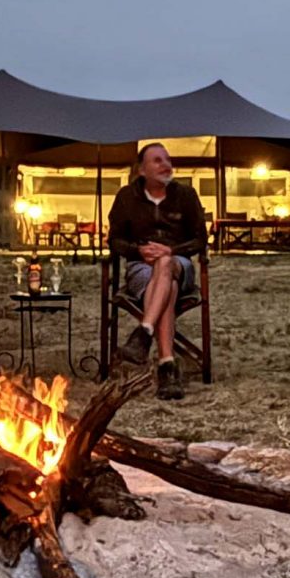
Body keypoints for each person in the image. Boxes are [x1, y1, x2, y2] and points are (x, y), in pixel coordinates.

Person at [108, 142, 209, 399]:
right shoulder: (126, 197)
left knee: (166, 266)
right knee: (169, 288)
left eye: (167, 159)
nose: (166, 165)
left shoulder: (185, 195)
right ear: (142, 170)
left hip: (180, 264)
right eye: (157, 161)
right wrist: (138, 251)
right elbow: (115, 240)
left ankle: (144, 332)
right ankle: (167, 366)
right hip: (141, 267)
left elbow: (200, 239)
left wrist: (170, 251)